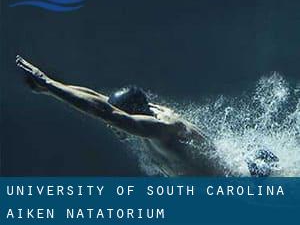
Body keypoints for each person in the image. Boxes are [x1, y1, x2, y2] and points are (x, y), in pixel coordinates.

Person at [15, 55, 278, 176]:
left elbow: (106, 112)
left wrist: (48, 84)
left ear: (132, 115)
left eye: (115, 121)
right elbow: (99, 100)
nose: (110, 126)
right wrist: (51, 88)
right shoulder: (146, 114)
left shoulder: (162, 129)